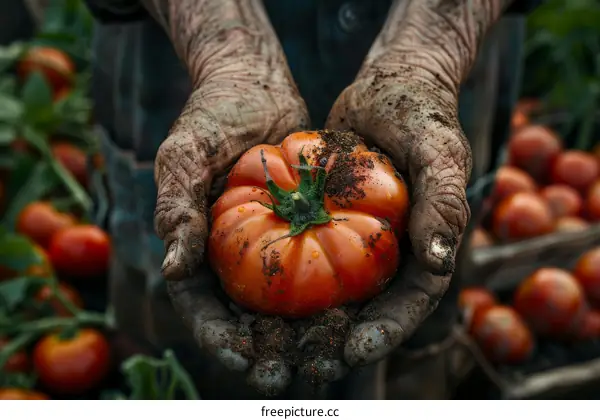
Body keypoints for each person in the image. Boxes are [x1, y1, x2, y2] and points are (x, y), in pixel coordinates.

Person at [83, 0, 540, 399]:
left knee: (420, 340)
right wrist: (226, 55)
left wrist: (426, 56)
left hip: (451, 49)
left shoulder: (258, 196)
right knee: (181, 363)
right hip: (181, 54)